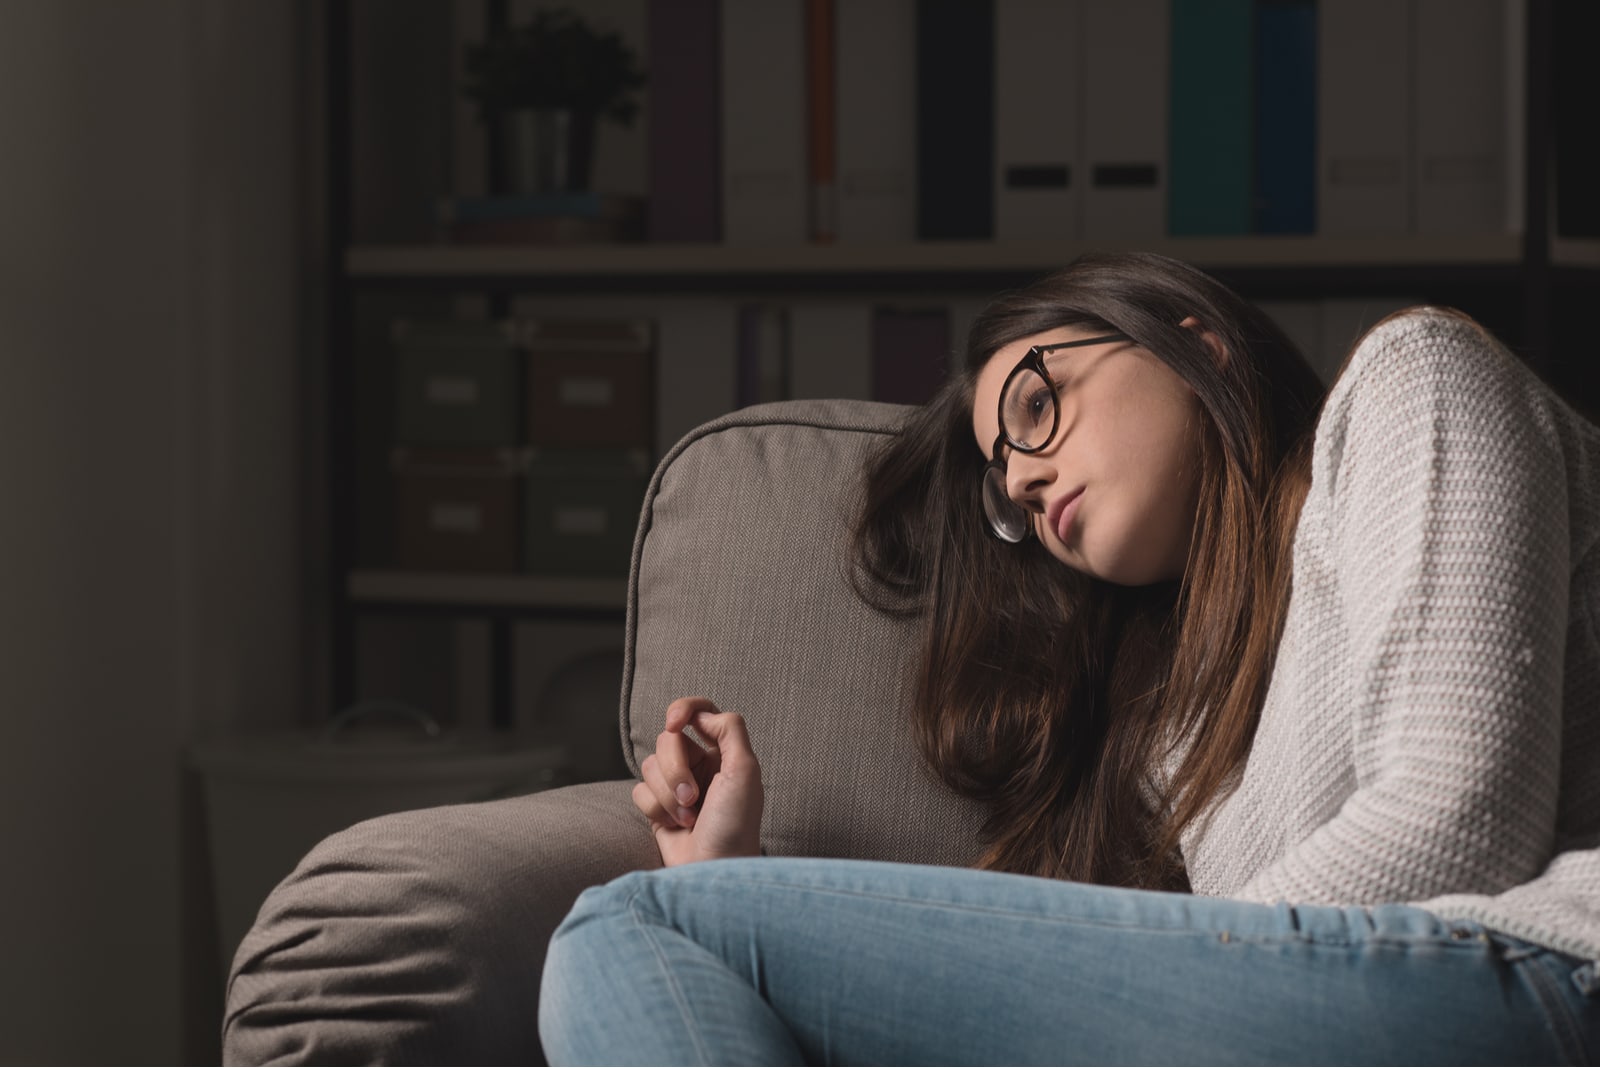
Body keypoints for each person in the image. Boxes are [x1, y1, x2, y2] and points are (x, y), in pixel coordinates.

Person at [538, 252, 1600, 1064]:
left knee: (638, 926)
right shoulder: (1179, 728)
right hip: (1360, 1014)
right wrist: (732, 880)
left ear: (1195, 343)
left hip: (1542, 972)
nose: (1026, 484)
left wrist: (729, 919)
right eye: (1005, 490)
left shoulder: (1412, 383)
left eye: (1036, 409)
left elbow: (1458, 821)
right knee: (669, 927)